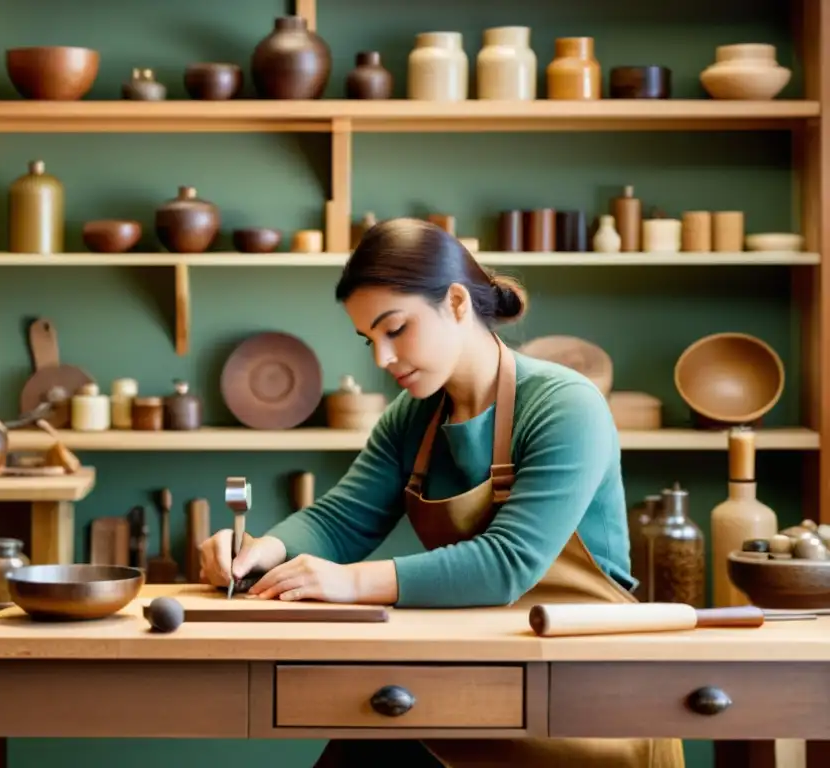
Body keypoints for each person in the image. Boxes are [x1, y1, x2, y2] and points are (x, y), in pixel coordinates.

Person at [199, 218, 684, 768]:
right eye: (369, 340)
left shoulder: (566, 405)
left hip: (585, 692)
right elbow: (341, 520)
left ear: (456, 302)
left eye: (395, 329)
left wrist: (349, 581)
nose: (381, 359)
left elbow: (508, 563)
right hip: (476, 673)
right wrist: (262, 551)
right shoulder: (413, 416)